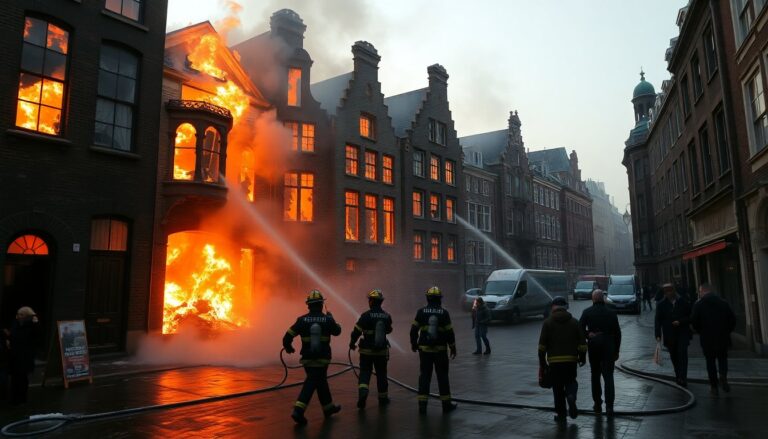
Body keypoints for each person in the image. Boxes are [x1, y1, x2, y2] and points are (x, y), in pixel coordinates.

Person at [282, 289, 342, 425]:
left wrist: (289, 347)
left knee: (320, 382)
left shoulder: (302, 320)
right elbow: (338, 331)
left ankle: (328, 408)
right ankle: (298, 410)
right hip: (323, 359)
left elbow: (287, 336)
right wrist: (332, 318)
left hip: (308, 360)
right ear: (321, 305)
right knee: (312, 382)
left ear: (308, 305)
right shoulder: (327, 319)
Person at [538, 296, 587, 423]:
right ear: (565, 307)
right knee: (571, 382)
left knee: (557, 388)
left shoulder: (547, 323)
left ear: (553, 307)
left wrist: (543, 364)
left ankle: (561, 415)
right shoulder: (574, 322)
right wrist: (582, 358)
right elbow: (582, 343)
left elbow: (541, 347)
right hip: (571, 361)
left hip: (554, 362)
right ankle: (571, 396)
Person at [410, 286, 457, 414]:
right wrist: (453, 347)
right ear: (439, 299)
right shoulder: (444, 313)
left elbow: (413, 330)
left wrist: (414, 344)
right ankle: (446, 405)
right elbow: (449, 332)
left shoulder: (421, 312)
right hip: (440, 351)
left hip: (424, 351)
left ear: (427, 298)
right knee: (442, 377)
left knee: (424, 376)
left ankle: (422, 406)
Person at [579, 289, 621, 416]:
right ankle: (609, 406)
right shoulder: (611, 313)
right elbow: (618, 333)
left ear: (593, 299)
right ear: (603, 299)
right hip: (608, 346)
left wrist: (588, 334)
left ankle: (597, 403)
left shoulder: (587, 312)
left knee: (595, 375)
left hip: (594, 346)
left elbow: (580, 329)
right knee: (608, 376)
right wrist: (617, 350)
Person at [349, 288, 393, 409]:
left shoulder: (365, 316)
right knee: (381, 374)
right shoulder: (386, 316)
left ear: (371, 302)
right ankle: (383, 399)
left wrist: (352, 343)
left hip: (366, 352)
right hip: (381, 352)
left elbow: (356, 331)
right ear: (381, 302)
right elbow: (389, 330)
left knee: (365, 373)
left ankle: (363, 394)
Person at [690, 283, 736, 396]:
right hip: (722, 337)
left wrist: (701, 331)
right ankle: (723, 376)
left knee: (710, 362)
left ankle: (714, 387)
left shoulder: (699, 305)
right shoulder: (723, 303)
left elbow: (694, 322)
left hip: (707, 338)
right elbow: (732, 320)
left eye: (699, 291)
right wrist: (726, 331)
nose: (699, 293)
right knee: (722, 358)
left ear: (703, 291)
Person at [654, 283, 692, 387]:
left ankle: (683, 377)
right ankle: (678, 375)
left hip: (682, 333)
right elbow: (658, 320)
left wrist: (680, 321)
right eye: (666, 292)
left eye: (670, 291)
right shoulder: (661, 304)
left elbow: (690, 317)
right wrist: (658, 335)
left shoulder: (683, 302)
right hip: (669, 334)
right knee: (674, 355)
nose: (668, 294)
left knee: (683, 354)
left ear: (674, 291)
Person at [8, 307, 40, 405]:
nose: (18, 316)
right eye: (18, 314)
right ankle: (14, 397)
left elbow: (36, 337)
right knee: (15, 377)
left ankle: (22, 398)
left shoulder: (32, 325)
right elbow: (12, 335)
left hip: (25, 356)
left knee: (22, 377)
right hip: (15, 354)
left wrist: (35, 324)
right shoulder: (15, 323)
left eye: (21, 315)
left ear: (26, 316)